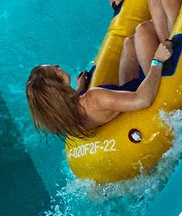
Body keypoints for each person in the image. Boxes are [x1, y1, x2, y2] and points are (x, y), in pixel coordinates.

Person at [26, 29, 173, 138]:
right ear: (57, 80)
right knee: (143, 31)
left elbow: (80, 102)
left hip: (123, 96)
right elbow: (143, 99)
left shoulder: (68, 115)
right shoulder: (93, 98)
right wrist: (157, 61)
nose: (58, 65)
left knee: (129, 43)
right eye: (55, 68)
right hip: (144, 88)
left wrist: (80, 87)